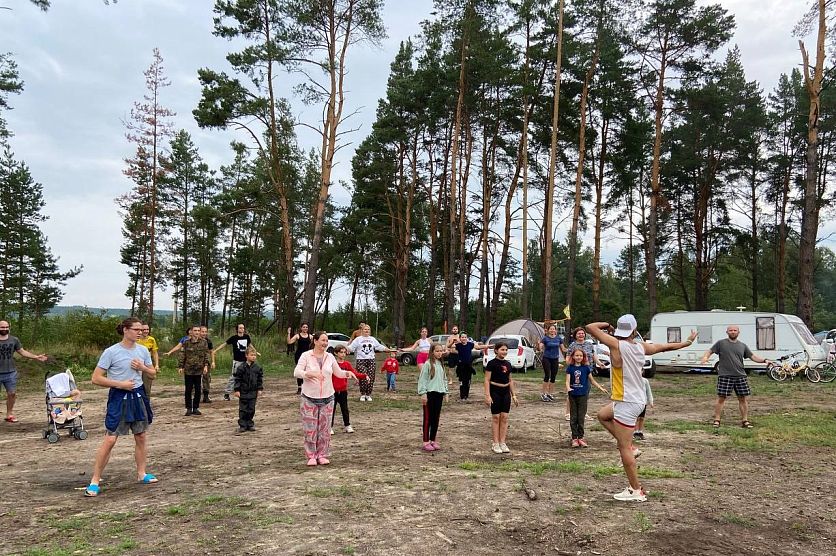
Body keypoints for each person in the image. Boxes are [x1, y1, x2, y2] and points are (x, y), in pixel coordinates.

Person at [587, 315, 697, 502]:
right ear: (634, 330)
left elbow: (591, 326)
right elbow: (665, 347)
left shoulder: (616, 344)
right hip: (635, 399)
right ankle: (631, 447)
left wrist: (607, 325)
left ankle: (635, 489)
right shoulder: (641, 346)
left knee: (623, 448)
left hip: (627, 402)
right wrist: (687, 342)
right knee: (602, 415)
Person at [84, 317, 157, 497]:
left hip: (138, 396)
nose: (140, 332)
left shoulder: (143, 350)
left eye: (141, 330)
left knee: (141, 436)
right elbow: (96, 378)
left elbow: (152, 374)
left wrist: (143, 368)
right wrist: (120, 384)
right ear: (125, 330)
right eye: (136, 329)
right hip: (119, 397)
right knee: (110, 439)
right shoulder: (111, 352)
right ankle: (95, 481)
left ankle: (142, 473)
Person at [293, 331, 359, 466]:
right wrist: (308, 374)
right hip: (309, 398)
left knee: (325, 429)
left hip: (328, 398)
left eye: (326, 341)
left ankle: (322, 455)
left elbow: (338, 373)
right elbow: (296, 372)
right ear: (315, 341)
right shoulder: (306, 356)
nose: (325, 343)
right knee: (310, 429)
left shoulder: (330, 357)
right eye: (323, 340)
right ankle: (311, 456)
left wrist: (348, 373)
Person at [700, 325, 771, 429]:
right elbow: (710, 351)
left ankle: (745, 421)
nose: (733, 332)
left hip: (740, 376)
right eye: (730, 330)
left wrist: (765, 360)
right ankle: (717, 420)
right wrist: (705, 357)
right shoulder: (721, 343)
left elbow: (753, 357)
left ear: (738, 332)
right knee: (721, 398)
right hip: (725, 376)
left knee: (742, 399)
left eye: (735, 330)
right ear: (727, 332)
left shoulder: (742, 345)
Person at [0, 320, 48, 423]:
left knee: (12, 393)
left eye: (6, 327)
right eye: (2, 327)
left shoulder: (14, 340)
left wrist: (36, 357)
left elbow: (22, 351)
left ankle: (9, 414)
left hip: (10, 372)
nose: (5, 329)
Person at [565, 347, 608, 448]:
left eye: (580, 355)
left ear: (583, 357)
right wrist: (568, 388)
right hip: (573, 394)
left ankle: (581, 437)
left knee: (581, 417)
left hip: (583, 395)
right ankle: (574, 438)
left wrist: (600, 387)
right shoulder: (570, 368)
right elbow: (567, 381)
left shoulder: (586, 368)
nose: (579, 357)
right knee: (573, 417)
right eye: (577, 355)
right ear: (573, 356)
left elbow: (592, 381)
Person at [484, 342, 519, 454]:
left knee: (504, 417)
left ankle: (502, 442)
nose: (504, 352)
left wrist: (514, 395)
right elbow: (486, 380)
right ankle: (495, 443)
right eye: (502, 349)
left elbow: (510, 380)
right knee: (496, 417)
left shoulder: (508, 364)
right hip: (495, 391)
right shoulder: (491, 363)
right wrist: (487, 395)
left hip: (506, 392)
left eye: (506, 350)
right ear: (496, 350)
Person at [417, 342, 450, 452]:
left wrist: (446, 392)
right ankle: (426, 441)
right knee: (428, 419)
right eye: (437, 351)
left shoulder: (441, 364)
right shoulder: (427, 364)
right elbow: (422, 379)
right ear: (432, 352)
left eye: (441, 351)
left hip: (439, 394)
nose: (439, 353)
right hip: (429, 394)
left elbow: (444, 379)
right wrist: (423, 393)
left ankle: (432, 440)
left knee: (436, 418)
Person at [346, 324, 390, 402]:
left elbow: (379, 346)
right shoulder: (358, 339)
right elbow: (351, 348)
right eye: (365, 329)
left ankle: (368, 394)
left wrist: (387, 349)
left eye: (368, 329)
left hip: (371, 360)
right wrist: (346, 348)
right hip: (361, 360)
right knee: (363, 377)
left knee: (371, 377)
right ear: (362, 330)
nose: (367, 331)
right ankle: (363, 394)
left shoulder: (372, 339)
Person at [214, 323, 257, 401]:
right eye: (240, 328)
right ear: (237, 329)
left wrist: (255, 352)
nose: (242, 329)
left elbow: (250, 345)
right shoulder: (234, 338)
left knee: (247, 376)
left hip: (246, 361)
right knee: (234, 377)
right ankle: (227, 394)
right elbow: (224, 344)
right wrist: (216, 350)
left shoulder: (246, 337)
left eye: (243, 328)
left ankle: (244, 392)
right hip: (237, 361)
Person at [564, 327, 600, 419]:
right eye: (579, 333)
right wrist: (569, 364)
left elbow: (593, 355)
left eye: (582, 333)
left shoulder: (589, 344)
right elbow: (568, 357)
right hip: (575, 372)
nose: (581, 335)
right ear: (575, 335)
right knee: (572, 392)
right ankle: (568, 413)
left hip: (587, 371)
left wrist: (599, 363)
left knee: (585, 393)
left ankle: (584, 413)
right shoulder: (572, 345)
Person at [331, 345, 367, 434]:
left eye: (344, 352)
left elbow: (354, 373)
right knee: (331, 410)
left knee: (345, 409)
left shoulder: (347, 364)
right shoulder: (332, 364)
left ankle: (347, 425)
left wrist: (364, 376)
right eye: (341, 352)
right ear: (336, 353)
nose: (343, 354)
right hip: (332, 391)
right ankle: (329, 427)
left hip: (343, 390)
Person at [450, 332, 492, 401]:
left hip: (468, 366)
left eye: (465, 337)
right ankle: (462, 396)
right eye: (462, 337)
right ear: (460, 338)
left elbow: (478, 347)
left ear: (467, 338)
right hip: (461, 366)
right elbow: (449, 346)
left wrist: (488, 346)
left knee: (468, 381)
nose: (464, 338)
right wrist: (452, 342)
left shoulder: (470, 344)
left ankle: (466, 396)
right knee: (462, 381)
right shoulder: (458, 345)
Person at [178, 325, 210, 416]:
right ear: (191, 332)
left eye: (198, 330)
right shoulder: (186, 342)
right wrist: (180, 366)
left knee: (198, 389)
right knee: (188, 389)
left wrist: (206, 366)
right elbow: (182, 354)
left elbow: (206, 354)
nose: (197, 332)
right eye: (195, 330)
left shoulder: (204, 342)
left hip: (199, 369)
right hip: (188, 369)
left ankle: (195, 408)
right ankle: (188, 408)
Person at [233, 347, 263, 433]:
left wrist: (259, 388)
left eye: (254, 355)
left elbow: (260, 379)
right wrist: (237, 390)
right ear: (246, 355)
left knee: (251, 409)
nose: (253, 357)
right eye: (251, 355)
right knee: (243, 409)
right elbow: (237, 379)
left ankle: (250, 424)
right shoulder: (241, 367)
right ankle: (242, 425)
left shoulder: (257, 367)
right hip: (243, 391)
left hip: (253, 392)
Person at [538, 323, 566, 402]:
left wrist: (572, 349)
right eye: (551, 329)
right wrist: (539, 345)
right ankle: (544, 393)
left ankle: (550, 393)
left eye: (553, 329)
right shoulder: (545, 338)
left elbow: (563, 349)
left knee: (553, 376)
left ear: (555, 330)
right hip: (546, 358)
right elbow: (540, 347)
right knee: (547, 375)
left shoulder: (558, 338)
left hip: (555, 359)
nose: (552, 330)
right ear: (548, 330)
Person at [136, 323, 160, 397]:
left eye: (147, 329)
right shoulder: (136, 339)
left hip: (147, 365)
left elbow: (155, 353)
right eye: (144, 330)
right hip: (136, 365)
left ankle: (146, 403)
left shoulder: (151, 340)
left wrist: (156, 365)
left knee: (147, 388)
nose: (146, 331)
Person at [288, 323, 312, 395]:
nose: (305, 328)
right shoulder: (297, 336)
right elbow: (289, 342)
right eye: (304, 327)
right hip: (299, 355)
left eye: (306, 327)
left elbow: (316, 342)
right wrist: (289, 333)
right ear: (301, 328)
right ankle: (299, 388)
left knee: (306, 371)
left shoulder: (310, 336)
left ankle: (305, 387)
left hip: (307, 356)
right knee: (300, 371)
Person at [633, 373, 654, 441]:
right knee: (637, 418)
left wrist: (651, 401)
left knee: (642, 418)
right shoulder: (633, 380)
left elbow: (648, 391)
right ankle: (635, 432)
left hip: (643, 403)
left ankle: (640, 432)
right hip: (635, 402)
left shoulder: (645, 381)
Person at [199, 325, 216, 403]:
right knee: (195, 379)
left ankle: (206, 396)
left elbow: (211, 352)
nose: (204, 333)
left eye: (205, 332)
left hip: (206, 362)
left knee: (206, 379)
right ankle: (195, 396)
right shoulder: (194, 340)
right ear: (199, 332)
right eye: (202, 331)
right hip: (196, 363)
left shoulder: (208, 341)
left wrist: (213, 362)